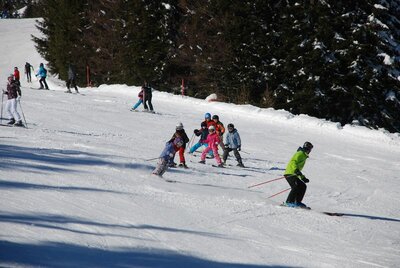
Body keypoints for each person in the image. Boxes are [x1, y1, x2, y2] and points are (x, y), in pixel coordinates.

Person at [283, 142, 313, 208]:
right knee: (295, 186)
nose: (310, 151)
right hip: (290, 173)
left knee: (303, 186)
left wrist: (303, 178)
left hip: (293, 173)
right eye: (310, 149)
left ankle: (297, 202)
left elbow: (298, 170)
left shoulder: (303, 155)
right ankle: (289, 202)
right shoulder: (300, 153)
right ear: (307, 148)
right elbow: (293, 162)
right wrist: (295, 170)